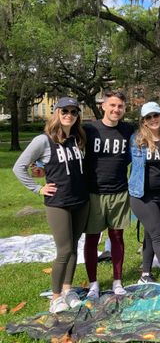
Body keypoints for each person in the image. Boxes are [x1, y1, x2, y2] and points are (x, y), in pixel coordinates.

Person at [13, 97, 89, 313]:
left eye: (74, 112)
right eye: (65, 110)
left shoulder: (77, 138)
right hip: (59, 203)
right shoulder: (43, 140)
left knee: (75, 247)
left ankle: (67, 290)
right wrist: (38, 189)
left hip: (80, 201)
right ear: (56, 112)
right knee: (64, 250)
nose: (69, 115)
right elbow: (19, 167)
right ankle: (55, 297)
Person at [83, 91, 135, 299]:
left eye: (120, 106)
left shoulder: (128, 130)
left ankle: (117, 281)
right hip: (94, 193)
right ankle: (93, 283)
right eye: (112, 105)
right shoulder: (89, 129)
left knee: (117, 237)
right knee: (92, 239)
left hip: (120, 192)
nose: (116, 110)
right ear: (103, 106)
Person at [128, 102, 160, 285]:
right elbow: (121, 162)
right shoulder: (136, 141)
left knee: (150, 234)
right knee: (158, 232)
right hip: (141, 195)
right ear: (143, 121)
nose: (153, 120)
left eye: (155, 115)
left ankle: (145, 274)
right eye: (148, 117)